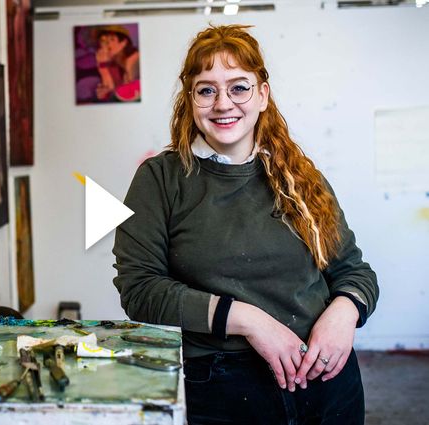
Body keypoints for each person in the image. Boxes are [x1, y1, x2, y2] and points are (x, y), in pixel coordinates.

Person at [113, 24, 378, 425]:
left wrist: (344, 313)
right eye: (207, 89)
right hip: (222, 387)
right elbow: (141, 291)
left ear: (263, 95)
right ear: (190, 98)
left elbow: (354, 271)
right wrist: (250, 322)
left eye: (239, 87)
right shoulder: (159, 180)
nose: (223, 103)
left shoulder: (300, 177)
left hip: (327, 380)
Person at [94, 25, 140, 102]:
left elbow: (129, 90)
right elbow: (109, 88)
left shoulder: (133, 57)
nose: (106, 43)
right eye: (103, 40)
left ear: (123, 43)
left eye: (112, 39)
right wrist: (102, 66)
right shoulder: (111, 62)